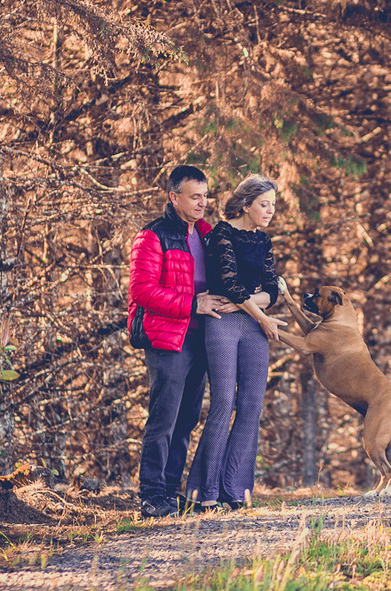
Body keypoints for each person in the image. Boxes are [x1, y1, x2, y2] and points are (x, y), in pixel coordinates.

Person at [128, 165, 234, 518]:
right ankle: (151, 495)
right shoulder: (152, 236)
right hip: (168, 338)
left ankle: (171, 493)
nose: (202, 203)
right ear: (174, 198)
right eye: (195, 197)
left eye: (205, 196)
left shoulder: (208, 234)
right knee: (164, 418)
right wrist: (193, 304)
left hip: (203, 337)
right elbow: (142, 291)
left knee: (187, 417)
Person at [186, 174, 286, 511]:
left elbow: (272, 290)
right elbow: (229, 283)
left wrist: (253, 305)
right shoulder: (221, 234)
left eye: (273, 205)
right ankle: (204, 492)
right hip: (223, 324)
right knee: (223, 402)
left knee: (251, 406)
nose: (270, 211)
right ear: (246, 205)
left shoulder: (264, 241)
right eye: (264, 204)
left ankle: (235, 488)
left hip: (253, 326)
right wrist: (259, 313)